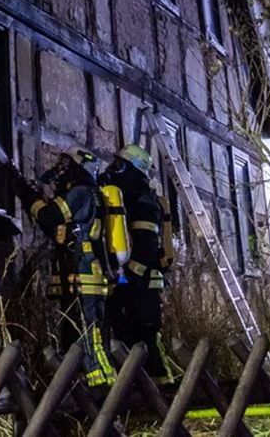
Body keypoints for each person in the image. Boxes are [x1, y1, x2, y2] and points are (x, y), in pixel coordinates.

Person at [12, 147, 115, 386]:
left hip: (83, 273)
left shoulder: (79, 192)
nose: (60, 168)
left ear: (80, 166)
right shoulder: (85, 193)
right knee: (76, 332)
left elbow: (49, 216)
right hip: (79, 271)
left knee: (88, 333)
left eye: (66, 163)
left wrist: (28, 195)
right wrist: (32, 197)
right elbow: (54, 227)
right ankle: (85, 385)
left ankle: (102, 385)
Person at [100, 143, 176, 384]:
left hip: (143, 282)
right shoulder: (127, 197)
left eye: (120, 165)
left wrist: (128, 278)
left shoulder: (144, 200)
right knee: (126, 334)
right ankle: (140, 389)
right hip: (129, 279)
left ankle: (163, 389)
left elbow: (145, 245)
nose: (113, 169)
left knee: (145, 335)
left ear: (134, 170)